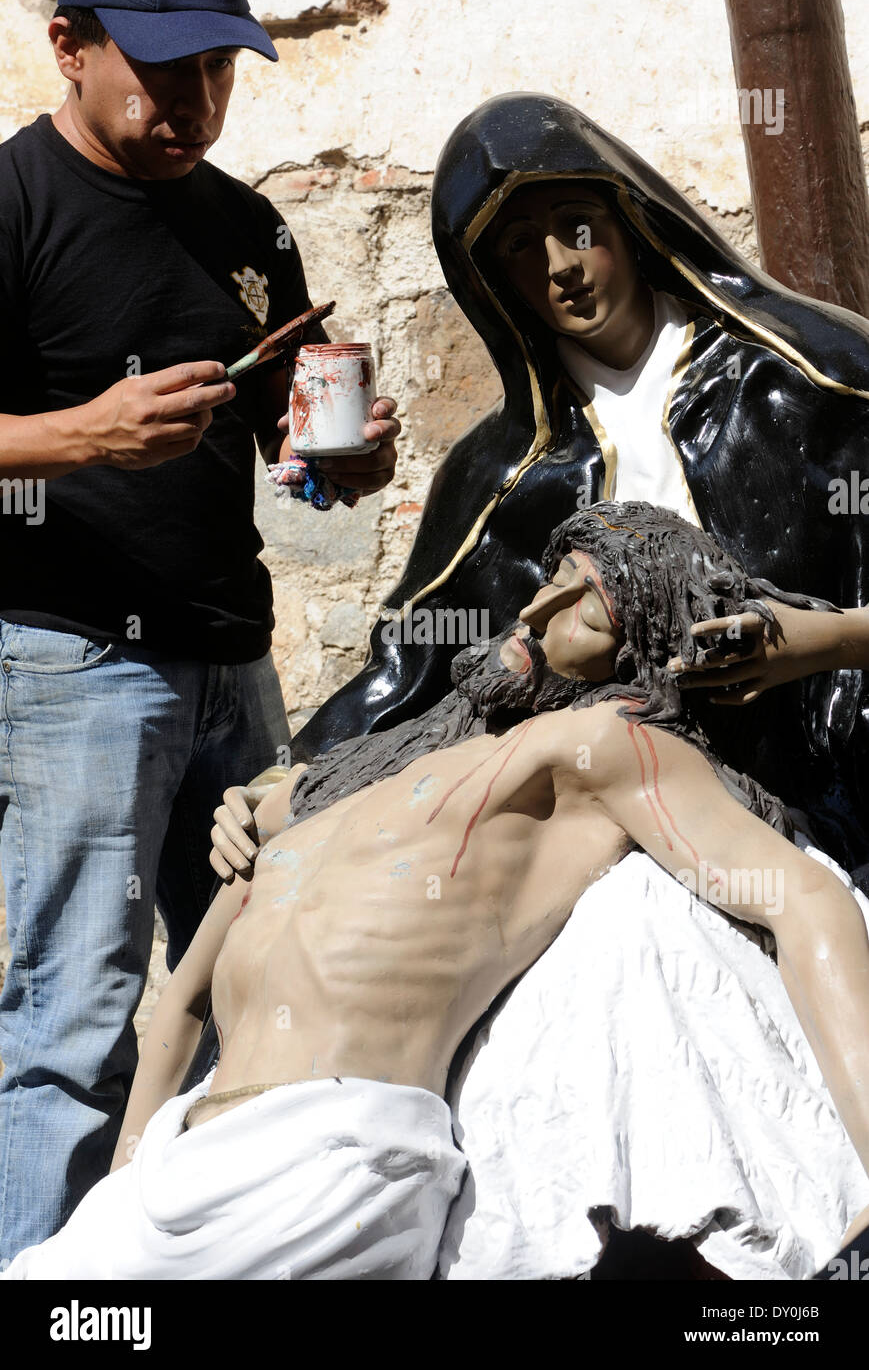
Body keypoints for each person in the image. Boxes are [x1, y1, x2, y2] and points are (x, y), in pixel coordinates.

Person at [5, 502, 868, 1280]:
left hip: (329, 1152)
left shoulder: (597, 744)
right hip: (171, 1160)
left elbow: (801, 901)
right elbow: (184, 1001)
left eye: (588, 609)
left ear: (636, 653)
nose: (534, 611)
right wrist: (120, 1186)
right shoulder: (340, 783)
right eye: (549, 582)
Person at [0, 0, 400, 1264]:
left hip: (235, 662)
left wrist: (346, 459)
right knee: (74, 1018)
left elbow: (299, 449)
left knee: (264, 986)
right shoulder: (12, 204)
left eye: (218, 70)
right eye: (163, 69)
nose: (195, 101)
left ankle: (200, 1263)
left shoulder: (248, 226)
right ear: (67, 45)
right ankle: (46, 1286)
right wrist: (82, 437)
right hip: (73, 664)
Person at [286, 92, 869, 885]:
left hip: (828, 791)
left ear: (629, 223)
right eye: (522, 246)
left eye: (576, 226)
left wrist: (820, 643)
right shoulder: (506, 474)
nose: (559, 265)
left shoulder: (807, 381)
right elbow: (410, 670)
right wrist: (286, 782)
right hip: (609, 825)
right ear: (495, 283)